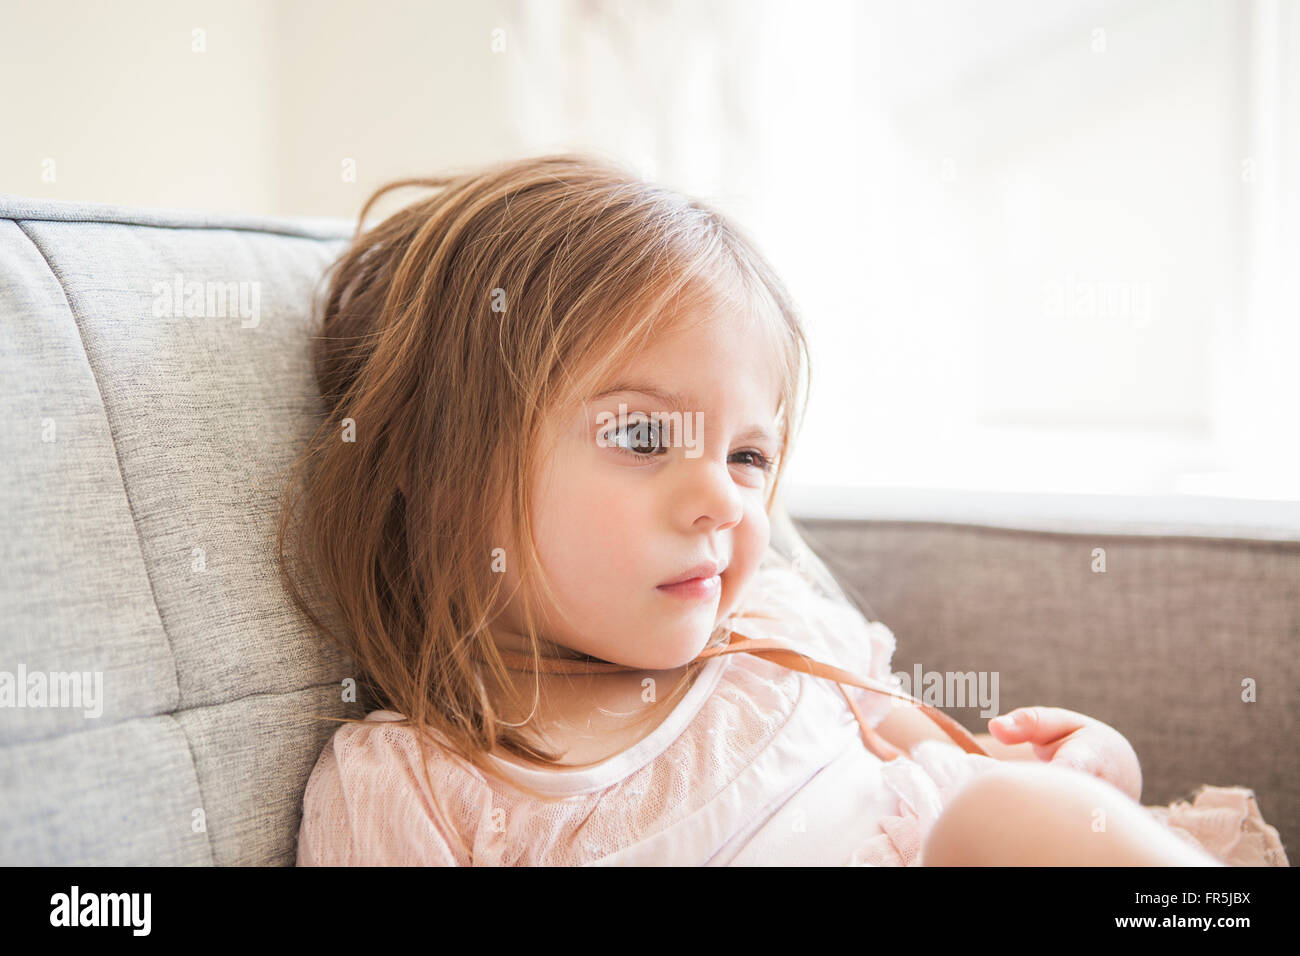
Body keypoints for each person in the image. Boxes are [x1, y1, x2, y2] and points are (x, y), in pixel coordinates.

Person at [281, 153, 1288, 866]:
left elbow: (958, 761)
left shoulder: (774, 633)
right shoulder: (408, 782)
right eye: (640, 436)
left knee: (1016, 808)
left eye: (749, 454)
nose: (723, 495)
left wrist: (1081, 772)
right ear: (442, 470)